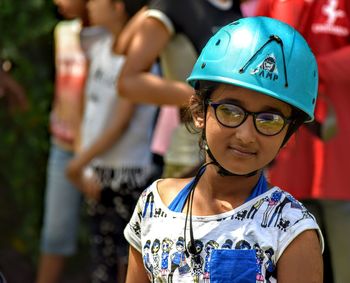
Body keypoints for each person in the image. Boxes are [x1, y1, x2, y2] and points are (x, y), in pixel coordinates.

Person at [124, 17, 324, 282]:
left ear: (288, 134)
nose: (246, 135)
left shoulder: (291, 229)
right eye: (230, 111)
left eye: (269, 120)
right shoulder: (153, 206)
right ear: (199, 111)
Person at [255, 1, 350, 282]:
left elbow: (286, 59)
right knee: (293, 266)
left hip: (339, 153)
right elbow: (269, 43)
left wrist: (306, 67)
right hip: (289, 156)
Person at [65, 0, 157, 282]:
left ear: (118, 6)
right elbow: (86, 108)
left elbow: (120, 123)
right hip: (96, 174)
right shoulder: (100, 46)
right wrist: (85, 164)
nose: (89, 4)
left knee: (126, 262)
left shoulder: (141, 61)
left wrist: (78, 164)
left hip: (126, 178)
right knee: (101, 261)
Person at [118, 0, 244, 178]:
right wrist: (207, 101)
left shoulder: (234, 7)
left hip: (237, 153)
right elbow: (129, 82)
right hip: (190, 158)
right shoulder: (175, 4)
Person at [35, 1, 107, 282]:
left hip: (106, 152)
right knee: (55, 235)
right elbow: (64, 94)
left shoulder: (115, 36)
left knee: (114, 240)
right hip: (65, 148)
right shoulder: (62, 32)